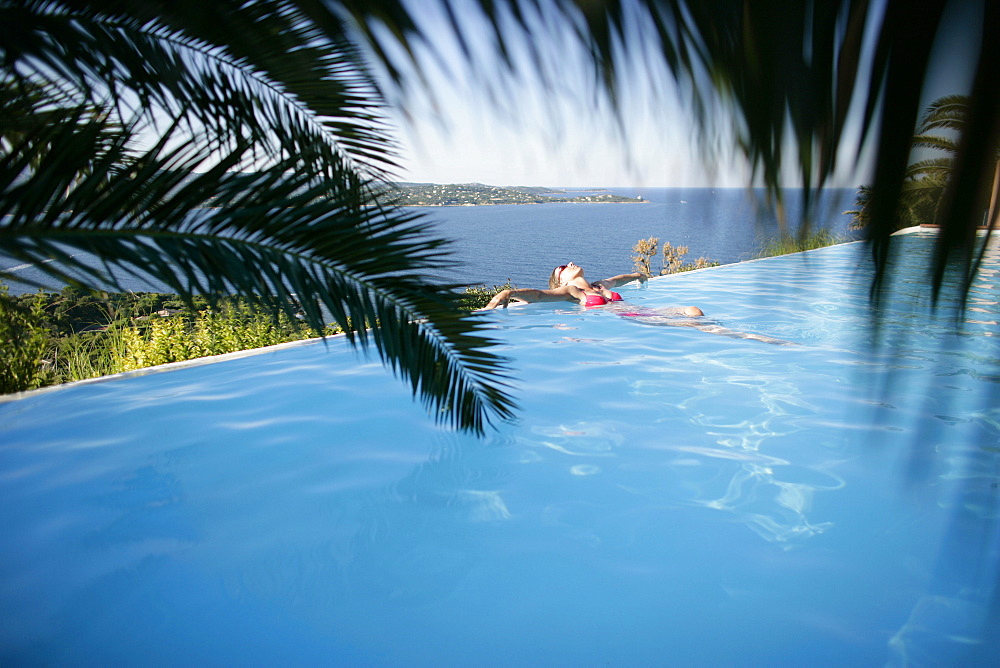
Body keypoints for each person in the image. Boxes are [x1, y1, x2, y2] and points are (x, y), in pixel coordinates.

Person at [480, 261, 705, 315]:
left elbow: (619, 279)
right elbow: (539, 295)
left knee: (693, 310)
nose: (569, 263)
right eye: (563, 267)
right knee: (692, 312)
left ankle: (734, 336)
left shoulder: (598, 286)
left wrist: (639, 276)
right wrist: (508, 292)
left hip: (643, 313)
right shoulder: (570, 292)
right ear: (561, 281)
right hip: (631, 319)